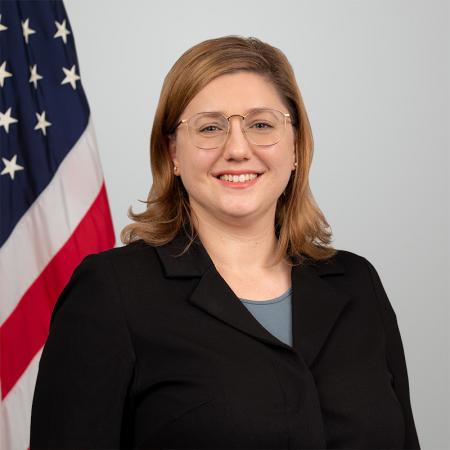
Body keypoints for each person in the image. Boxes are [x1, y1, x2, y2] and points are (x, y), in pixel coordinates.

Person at [30, 35, 420, 449]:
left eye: (261, 124)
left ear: (296, 147)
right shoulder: (112, 292)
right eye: (211, 127)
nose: (237, 148)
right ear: (173, 154)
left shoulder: (357, 284)